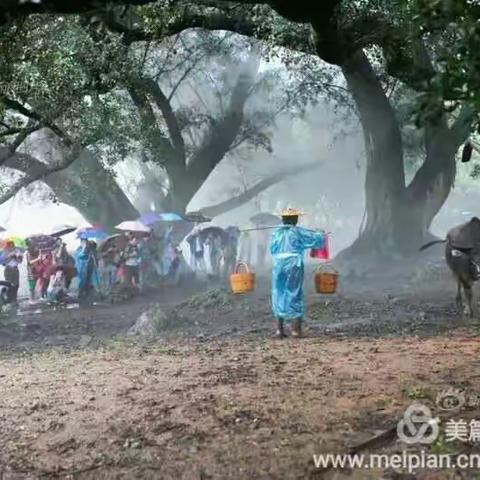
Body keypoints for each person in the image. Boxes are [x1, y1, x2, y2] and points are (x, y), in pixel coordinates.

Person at [270, 208, 325, 338]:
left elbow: (272, 249)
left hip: (278, 264)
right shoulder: (298, 232)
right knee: (294, 292)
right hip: (293, 263)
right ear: (295, 220)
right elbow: (316, 241)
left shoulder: (276, 233)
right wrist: (320, 234)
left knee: (278, 292)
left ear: (283, 220)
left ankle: (279, 330)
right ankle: (296, 330)